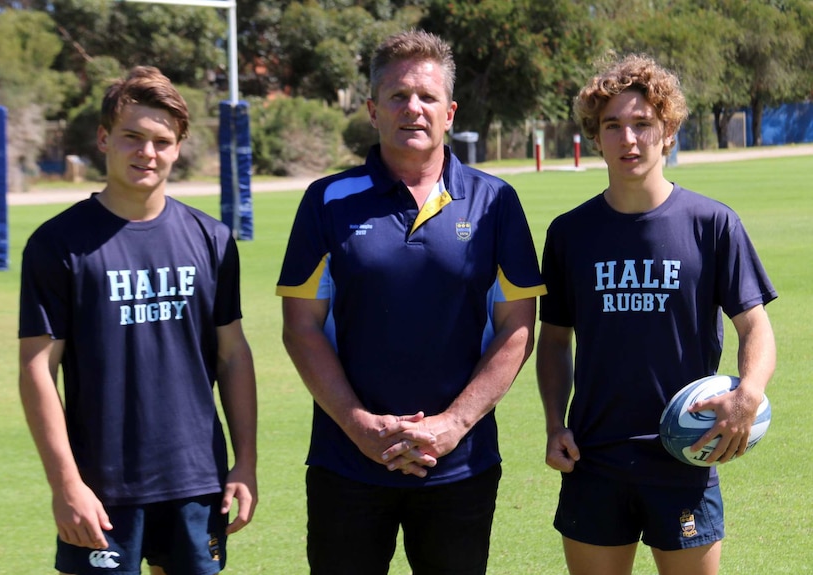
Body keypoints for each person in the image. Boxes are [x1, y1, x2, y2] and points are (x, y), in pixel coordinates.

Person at [275, 29, 545, 575]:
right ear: (373, 110)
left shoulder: (495, 201)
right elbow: (301, 327)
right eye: (397, 96)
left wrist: (450, 425)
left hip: (460, 464)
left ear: (450, 111)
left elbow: (518, 327)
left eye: (426, 96)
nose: (412, 108)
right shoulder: (326, 200)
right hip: (345, 463)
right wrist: (359, 427)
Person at [536, 53, 777, 575]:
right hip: (593, 456)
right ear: (594, 138)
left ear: (667, 132)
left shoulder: (712, 224)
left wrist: (748, 393)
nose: (629, 139)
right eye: (613, 126)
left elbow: (754, 325)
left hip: (687, 454)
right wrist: (555, 424)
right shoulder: (569, 234)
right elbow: (554, 340)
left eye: (643, 124)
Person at [18, 66, 258, 575]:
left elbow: (233, 354)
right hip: (102, 485)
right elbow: (38, 370)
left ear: (178, 148)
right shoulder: (57, 244)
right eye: (132, 137)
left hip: (196, 477)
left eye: (161, 141)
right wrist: (66, 485)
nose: (147, 153)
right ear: (105, 138)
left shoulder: (211, 239)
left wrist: (246, 462)